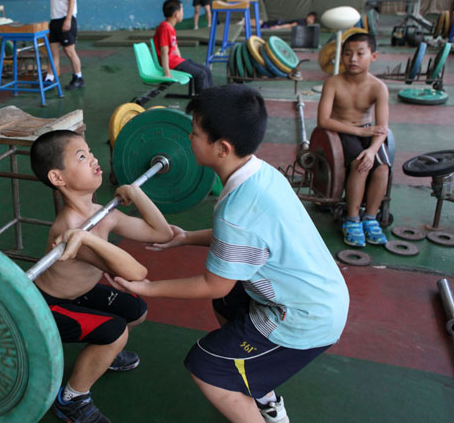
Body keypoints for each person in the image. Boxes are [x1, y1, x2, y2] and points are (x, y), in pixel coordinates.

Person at [106, 84, 350, 423]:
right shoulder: (261, 174)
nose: (188, 138)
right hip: (323, 295)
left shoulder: (237, 210)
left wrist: (148, 288)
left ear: (221, 148)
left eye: (194, 133)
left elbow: (213, 283)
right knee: (229, 301)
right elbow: (249, 242)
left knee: (206, 367)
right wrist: (187, 237)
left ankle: (261, 404)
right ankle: (258, 384)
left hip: (302, 318)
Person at [29, 130, 173, 423]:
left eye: (89, 151)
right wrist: (87, 239)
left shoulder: (102, 212)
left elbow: (163, 233)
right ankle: (72, 398)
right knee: (116, 331)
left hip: (78, 294)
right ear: (58, 178)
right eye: (81, 156)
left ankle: (102, 356)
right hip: (47, 306)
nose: (93, 158)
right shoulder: (66, 226)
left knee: (137, 311)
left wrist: (136, 193)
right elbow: (137, 273)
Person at [317, 32, 390, 247]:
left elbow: (382, 128)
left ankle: (370, 217)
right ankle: (352, 219)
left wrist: (373, 150)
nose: (353, 59)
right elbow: (323, 120)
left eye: (360, 53)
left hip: (369, 133)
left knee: (382, 167)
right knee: (360, 164)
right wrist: (358, 133)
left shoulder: (379, 87)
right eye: (348, 54)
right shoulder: (333, 83)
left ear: (373, 56)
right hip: (340, 131)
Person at [154, 0, 214, 94]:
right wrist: (167, 73)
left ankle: (211, 97)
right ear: (176, 14)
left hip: (177, 61)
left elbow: (175, 47)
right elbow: (164, 52)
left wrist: (183, 61)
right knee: (200, 74)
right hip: (172, 64)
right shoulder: (165, 28)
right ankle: (202, 103)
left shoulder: (170, 27)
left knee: (206, 70)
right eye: (182, 10)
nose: (183, 13)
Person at [44, 0, 84, 90]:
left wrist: (68, 19)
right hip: (54, 21)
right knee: (53, 52)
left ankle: (78, 78)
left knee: (69, 50)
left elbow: (72, 0)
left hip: (66, 19)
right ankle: (49, 79)